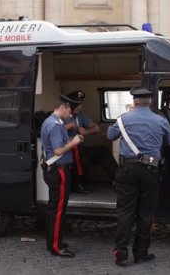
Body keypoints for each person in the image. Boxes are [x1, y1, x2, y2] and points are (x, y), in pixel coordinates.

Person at [107, 86, 170, 267]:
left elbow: (110, 135)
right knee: (146, 213)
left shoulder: (123, 120)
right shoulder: (160, 120)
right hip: (150, 170)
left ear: (135, 102)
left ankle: (121, 254)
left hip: (127, 169)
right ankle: (141, 253)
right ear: (150, 102)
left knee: (125, 212)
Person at [41, 94, 84, 258]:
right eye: (70, 111)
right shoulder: (55, 125)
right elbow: (58, 150)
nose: (71, 115)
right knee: (58, 210)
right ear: (63, 107)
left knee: (54, 208)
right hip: (59, 170)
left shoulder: (51, 122)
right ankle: (55, 247)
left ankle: (52, 241)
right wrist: (74, 143)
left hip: (55, 169)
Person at [64, 90, 118, 193]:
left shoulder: (80, 115)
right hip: (67, 150)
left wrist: (86, 131)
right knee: (79, 157)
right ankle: (78, 185)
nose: (79, 107)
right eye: (77, 104)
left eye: (80, 104)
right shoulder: (63, 115)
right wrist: (70, 126)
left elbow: (96, 128)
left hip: (80, 148)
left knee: (103, 151)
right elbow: (55, 128)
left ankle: (118, 181)